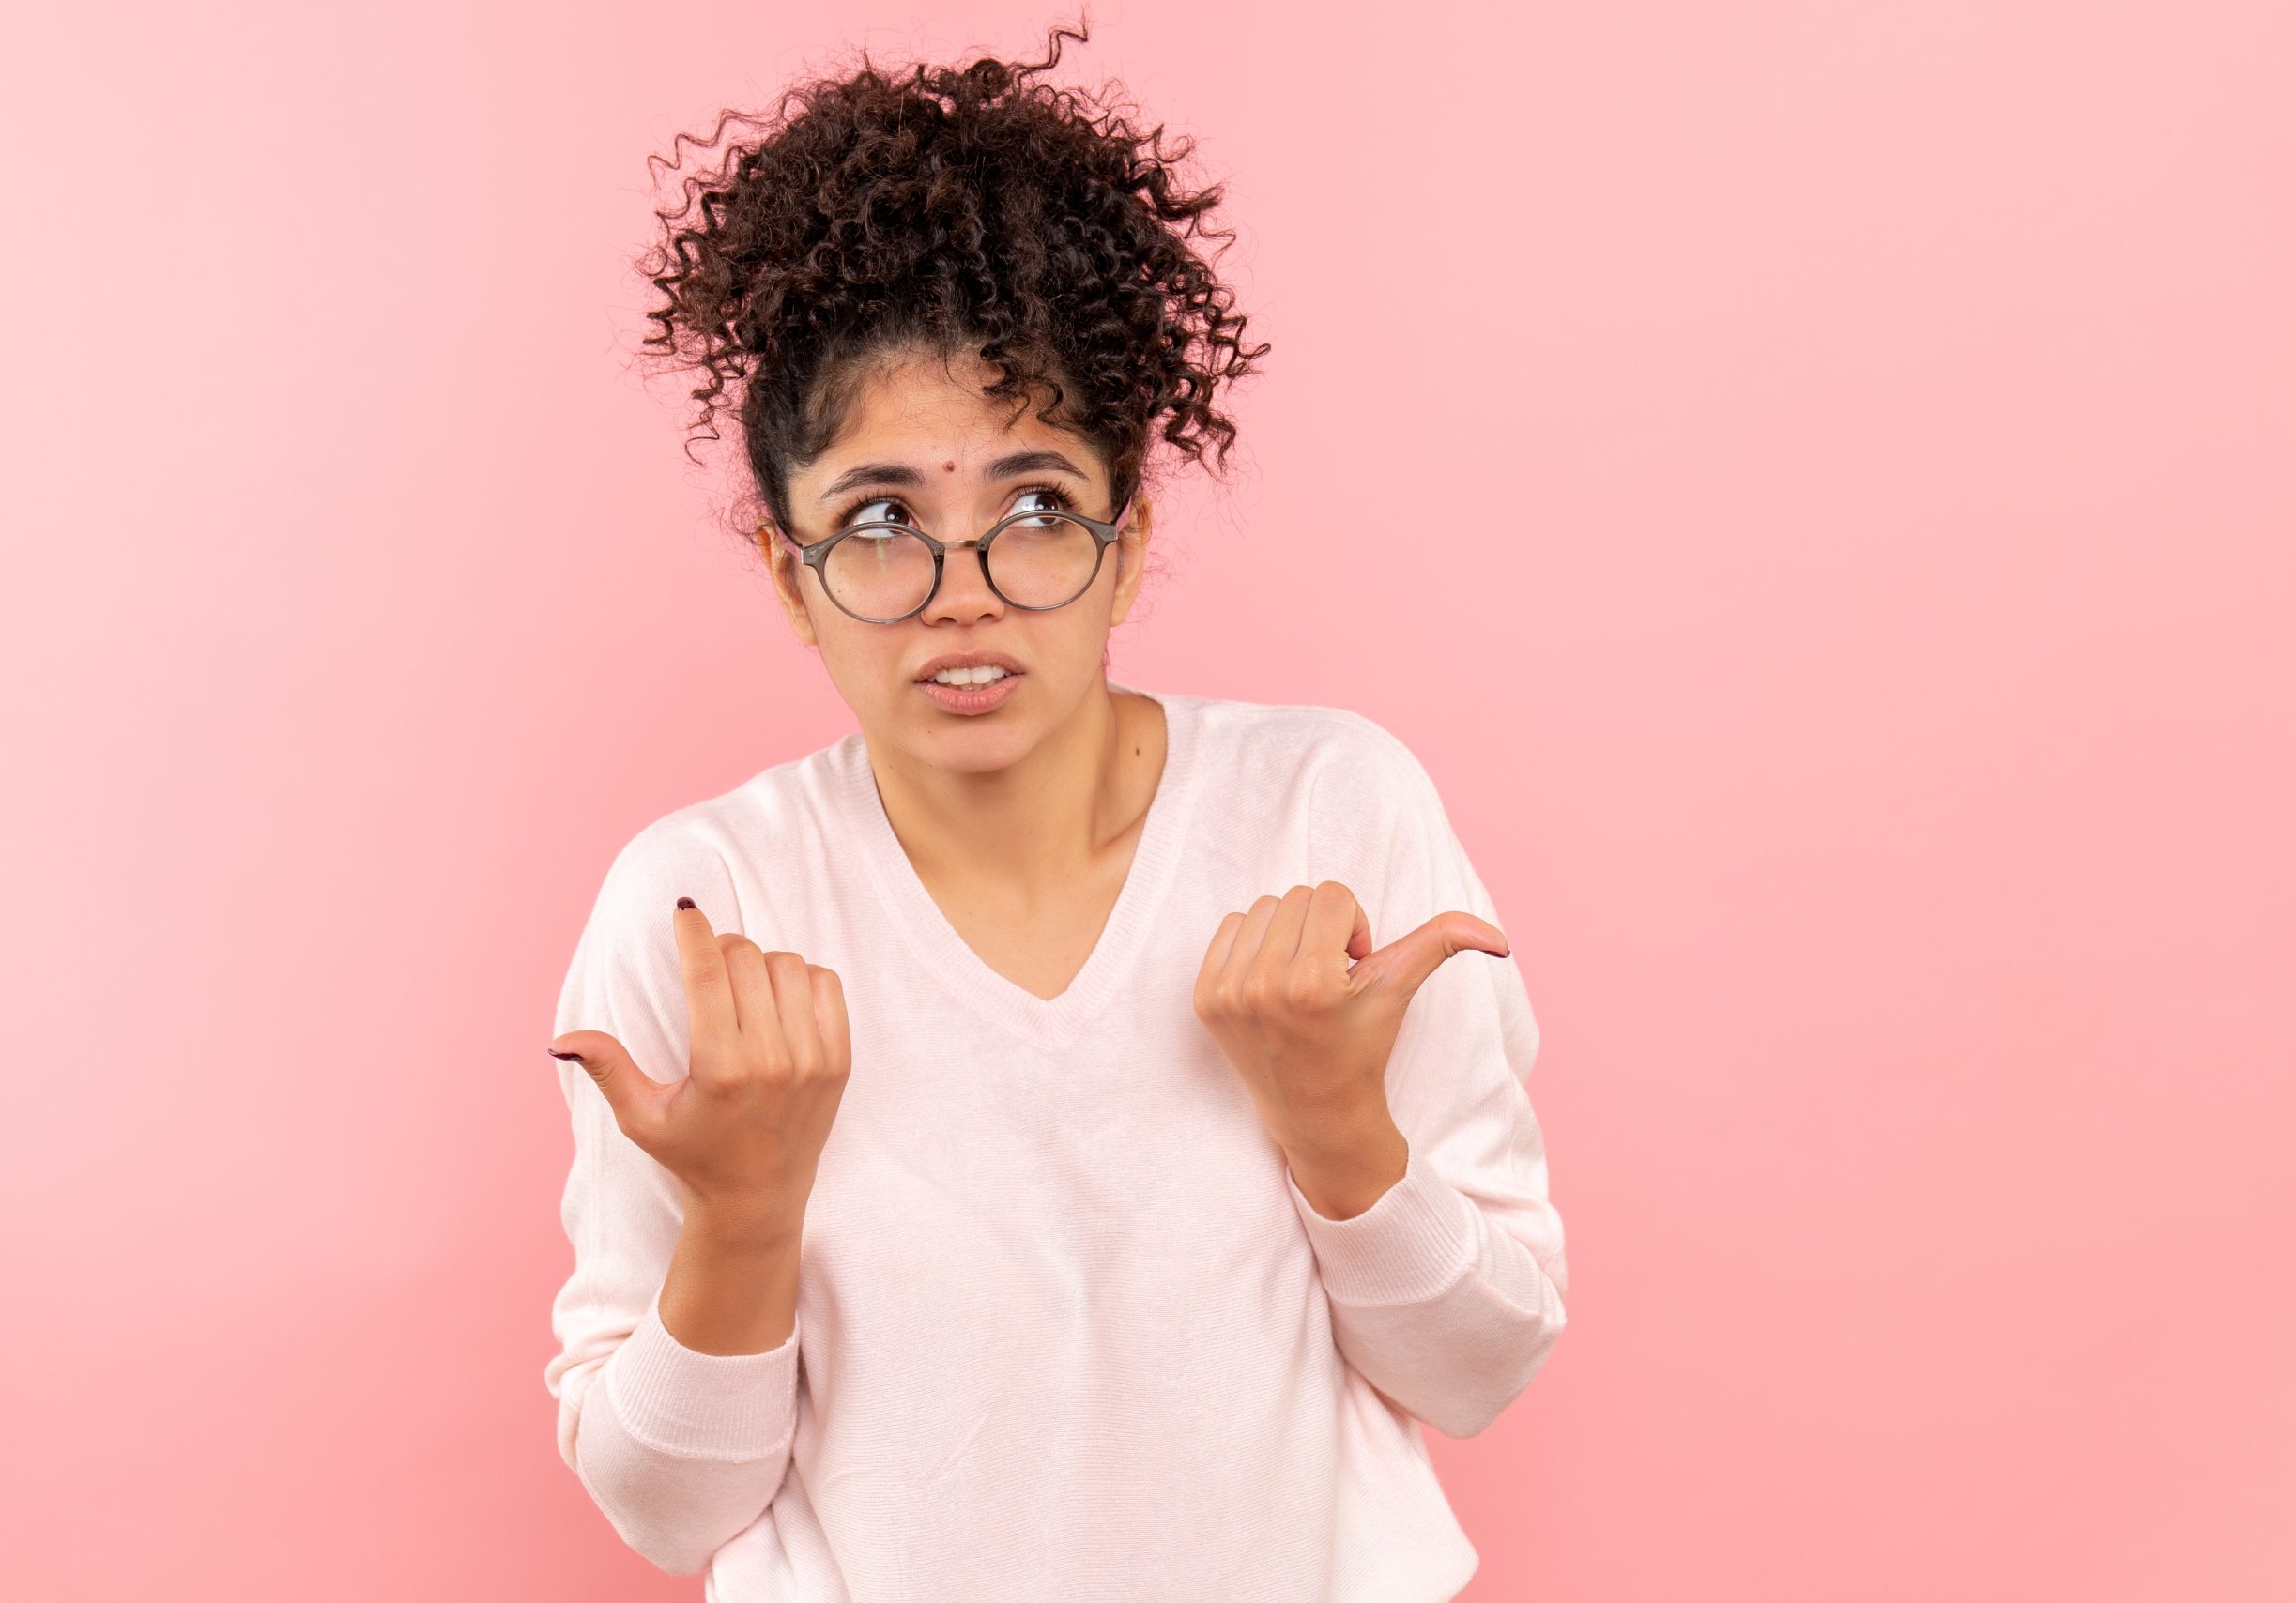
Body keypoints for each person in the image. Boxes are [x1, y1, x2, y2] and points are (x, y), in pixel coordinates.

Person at [542, 21, 1567, 1599]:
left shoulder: (1328, 813)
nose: (965, 598)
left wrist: (1338, 1125)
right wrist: (743, 1213)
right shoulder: (700, 910)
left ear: (1129, 538)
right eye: (881, 520)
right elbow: (669, 1512)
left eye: (1033, 506)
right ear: (787, 570)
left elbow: (1480, 1371)